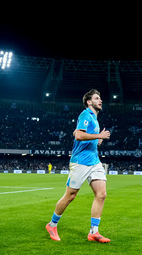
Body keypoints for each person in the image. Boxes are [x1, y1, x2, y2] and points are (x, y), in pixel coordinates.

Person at [46, 89, 111, 243]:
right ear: (89, 102)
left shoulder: (95, 118)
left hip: (94, 161)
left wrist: (98, 141)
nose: (100, 100)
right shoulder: (85, 115)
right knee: (71, 195)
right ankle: (52, 225)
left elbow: (86, 137)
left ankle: (94, 232)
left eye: (100, 98)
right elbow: (79, 135)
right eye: (97, 98)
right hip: (80, 162)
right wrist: (99, 136)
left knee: (101, 195)